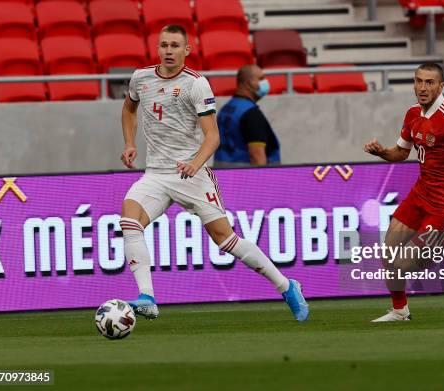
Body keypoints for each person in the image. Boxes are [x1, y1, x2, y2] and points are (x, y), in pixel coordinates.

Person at [119, 25, 308, 322]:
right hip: (155, 173)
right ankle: (147, 297)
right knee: (129, 219)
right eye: (164, 45)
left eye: (175, 46)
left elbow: (213, 136)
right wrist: (130, 143)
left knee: (226, 240)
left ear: (187, 50)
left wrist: (195, 163)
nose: (169, 51)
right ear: (158, 48)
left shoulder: (197, 84)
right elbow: (129, 109)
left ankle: (286, 286)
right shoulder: (141, 78)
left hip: (192, 175)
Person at [364, 63, 444, 322]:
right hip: (420, 195)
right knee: (388, 253)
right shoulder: (412, 113)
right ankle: (400, 311)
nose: (423, 87)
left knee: (405, 264)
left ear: (441, 86)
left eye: (429, 82)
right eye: (419, 81)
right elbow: (401, 152)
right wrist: (382, 152)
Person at [213, 64, 280, 167]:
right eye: (261, 79)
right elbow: (257, 157)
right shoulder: (251, 114)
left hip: (223, 176)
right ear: (248, 84)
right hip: (245, 179)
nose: (265, 82)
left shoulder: (226, 109)